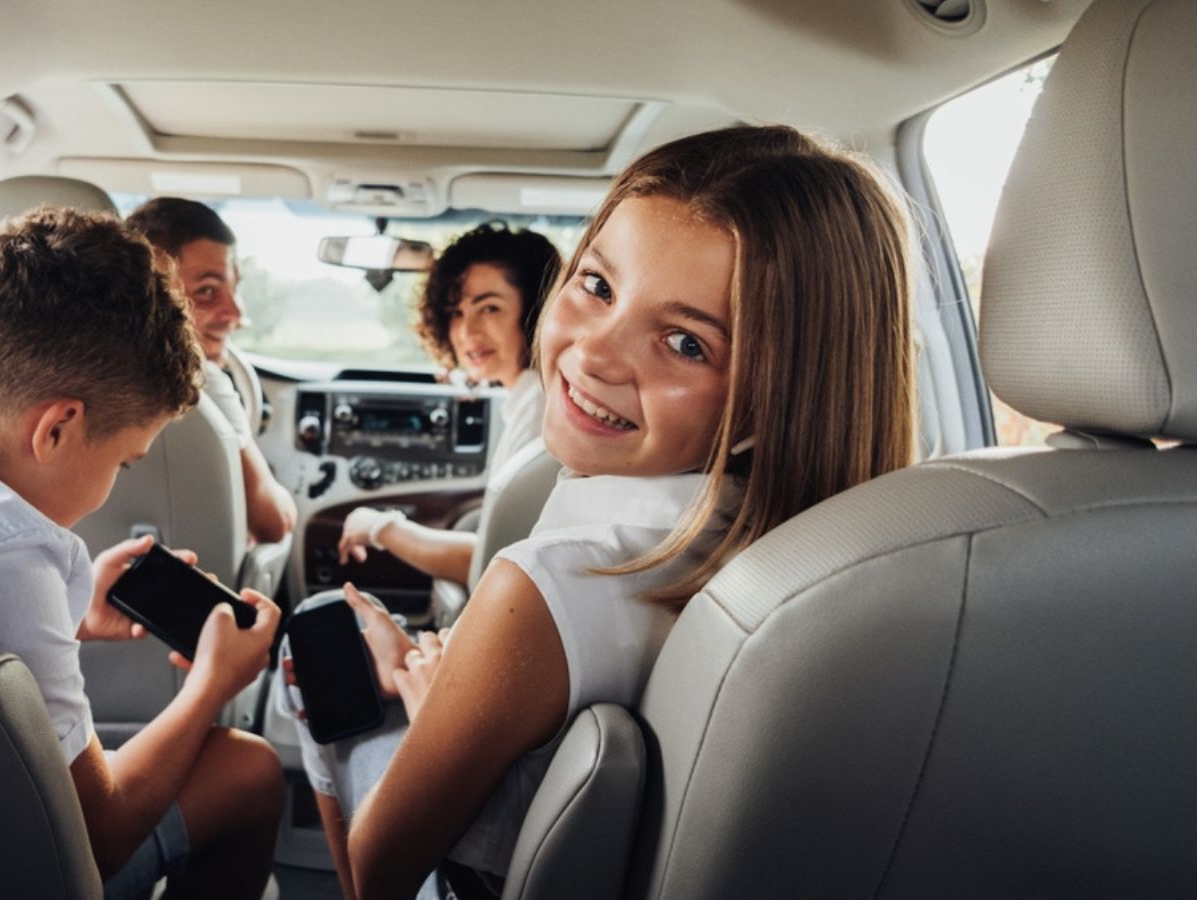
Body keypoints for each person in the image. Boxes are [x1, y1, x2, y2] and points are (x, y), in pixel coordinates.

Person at [293, 124, 916, 900]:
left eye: (686, 343)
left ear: (781, 392)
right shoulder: (842, 558)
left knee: (320, 639)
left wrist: (433, 710)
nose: (594, 353)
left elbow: (379, 872)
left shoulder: (541, 586)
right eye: (597, 286)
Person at [0, 207, 283, 900]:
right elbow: (94, 837)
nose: (112, 486)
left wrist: (71, 619)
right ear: (58, 428)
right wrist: (211, 687)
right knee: (248, 770)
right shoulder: (11, 555)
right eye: (125, 463)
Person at [336, 222, 563, 586]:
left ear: (537, 310)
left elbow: (495, 565)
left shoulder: (543, 406)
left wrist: (381, 526)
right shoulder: (530, 393)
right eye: (456, 313)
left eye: (489, 308)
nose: (466, 332)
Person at [126, 197, 298, 545]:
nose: (235, 313)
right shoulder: (203, 382)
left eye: (234, 289)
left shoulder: (71, 369)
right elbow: (274, 522)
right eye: (207, 291)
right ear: (151, 292)